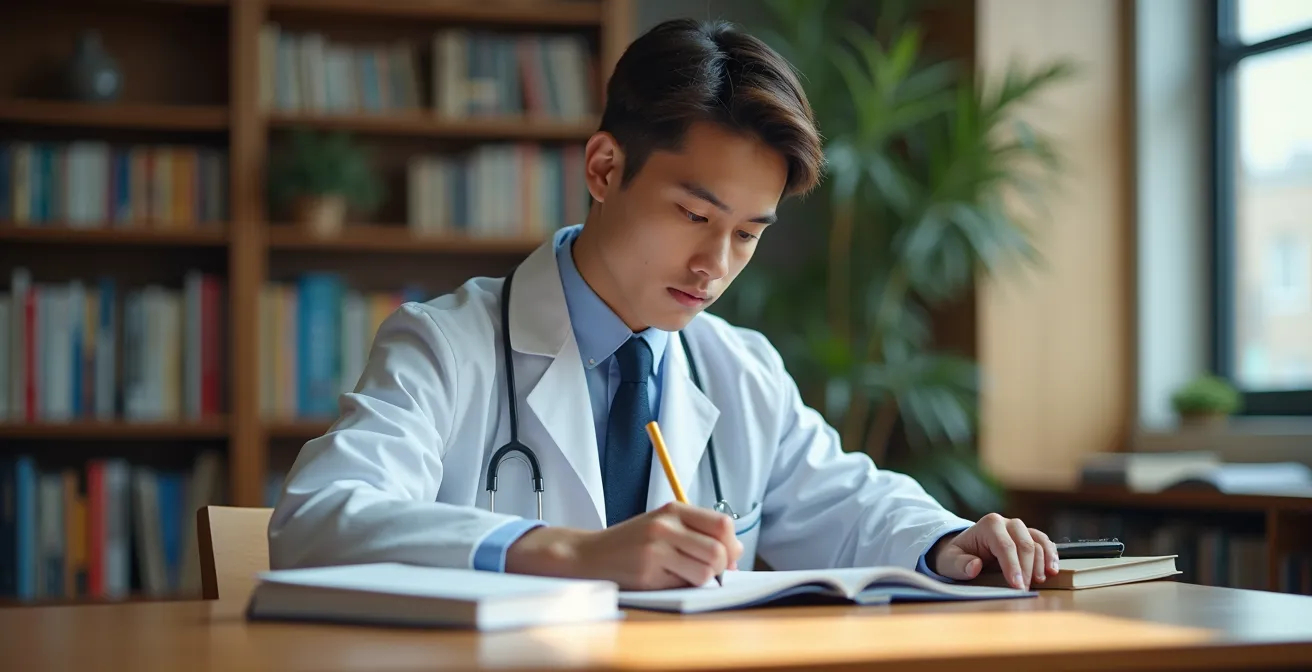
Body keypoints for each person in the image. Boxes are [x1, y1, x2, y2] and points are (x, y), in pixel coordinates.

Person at [267, 17, 1059, 593]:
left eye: (748, 235)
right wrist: (567, 553)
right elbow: (317, 518)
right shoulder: (446, 345)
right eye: (693, 216)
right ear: (606, 169)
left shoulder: (736, 368)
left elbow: (849, 501)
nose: (715, 266)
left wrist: (949, 538)